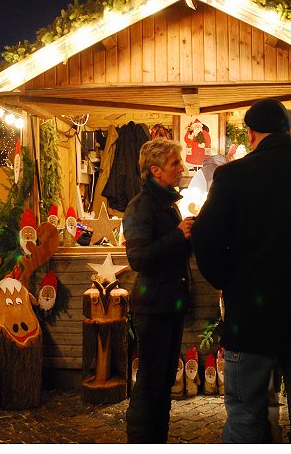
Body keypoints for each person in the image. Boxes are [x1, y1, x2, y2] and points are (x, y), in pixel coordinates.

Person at [192, 98, 291, 444]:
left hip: (249, 316)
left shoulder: (232, 176)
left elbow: (204, 237)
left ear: (251, 133)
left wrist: (226, 279)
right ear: (287, 129)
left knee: (245, 413)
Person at [123, 138, 193, 443]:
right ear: (155, 170)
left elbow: (171, 251)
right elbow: (138, 258)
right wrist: (179, 236)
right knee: (150, 383)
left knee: (164, 382)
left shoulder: (167, 204)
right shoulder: (140, 206)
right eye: (175, 163)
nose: (181, 168)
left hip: (169, 304)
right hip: (152, 308)